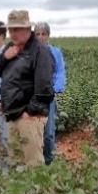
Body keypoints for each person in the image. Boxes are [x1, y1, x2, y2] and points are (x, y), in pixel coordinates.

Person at [0, 10, 54, 166]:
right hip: (13, 114)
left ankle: (38, 191)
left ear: (27, 29)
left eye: (16, 29)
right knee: (16, 163)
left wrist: (29, 112)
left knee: (33, 165)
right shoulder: (11, 48)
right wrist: (5, 58)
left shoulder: (40, 51)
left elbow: (45, 88)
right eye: (10, 29)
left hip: (29, 117)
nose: (12, 33)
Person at [34, 22, 66, 165]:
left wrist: (56, 88)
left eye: (43, 34)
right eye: (38, 34)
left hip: (48, 98)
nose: (41, 37)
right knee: (33, 132)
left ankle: (49, 162)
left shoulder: (55, 52)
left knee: (48, 133)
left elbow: (60, 72)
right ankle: (34, 162)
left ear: (48, 35)